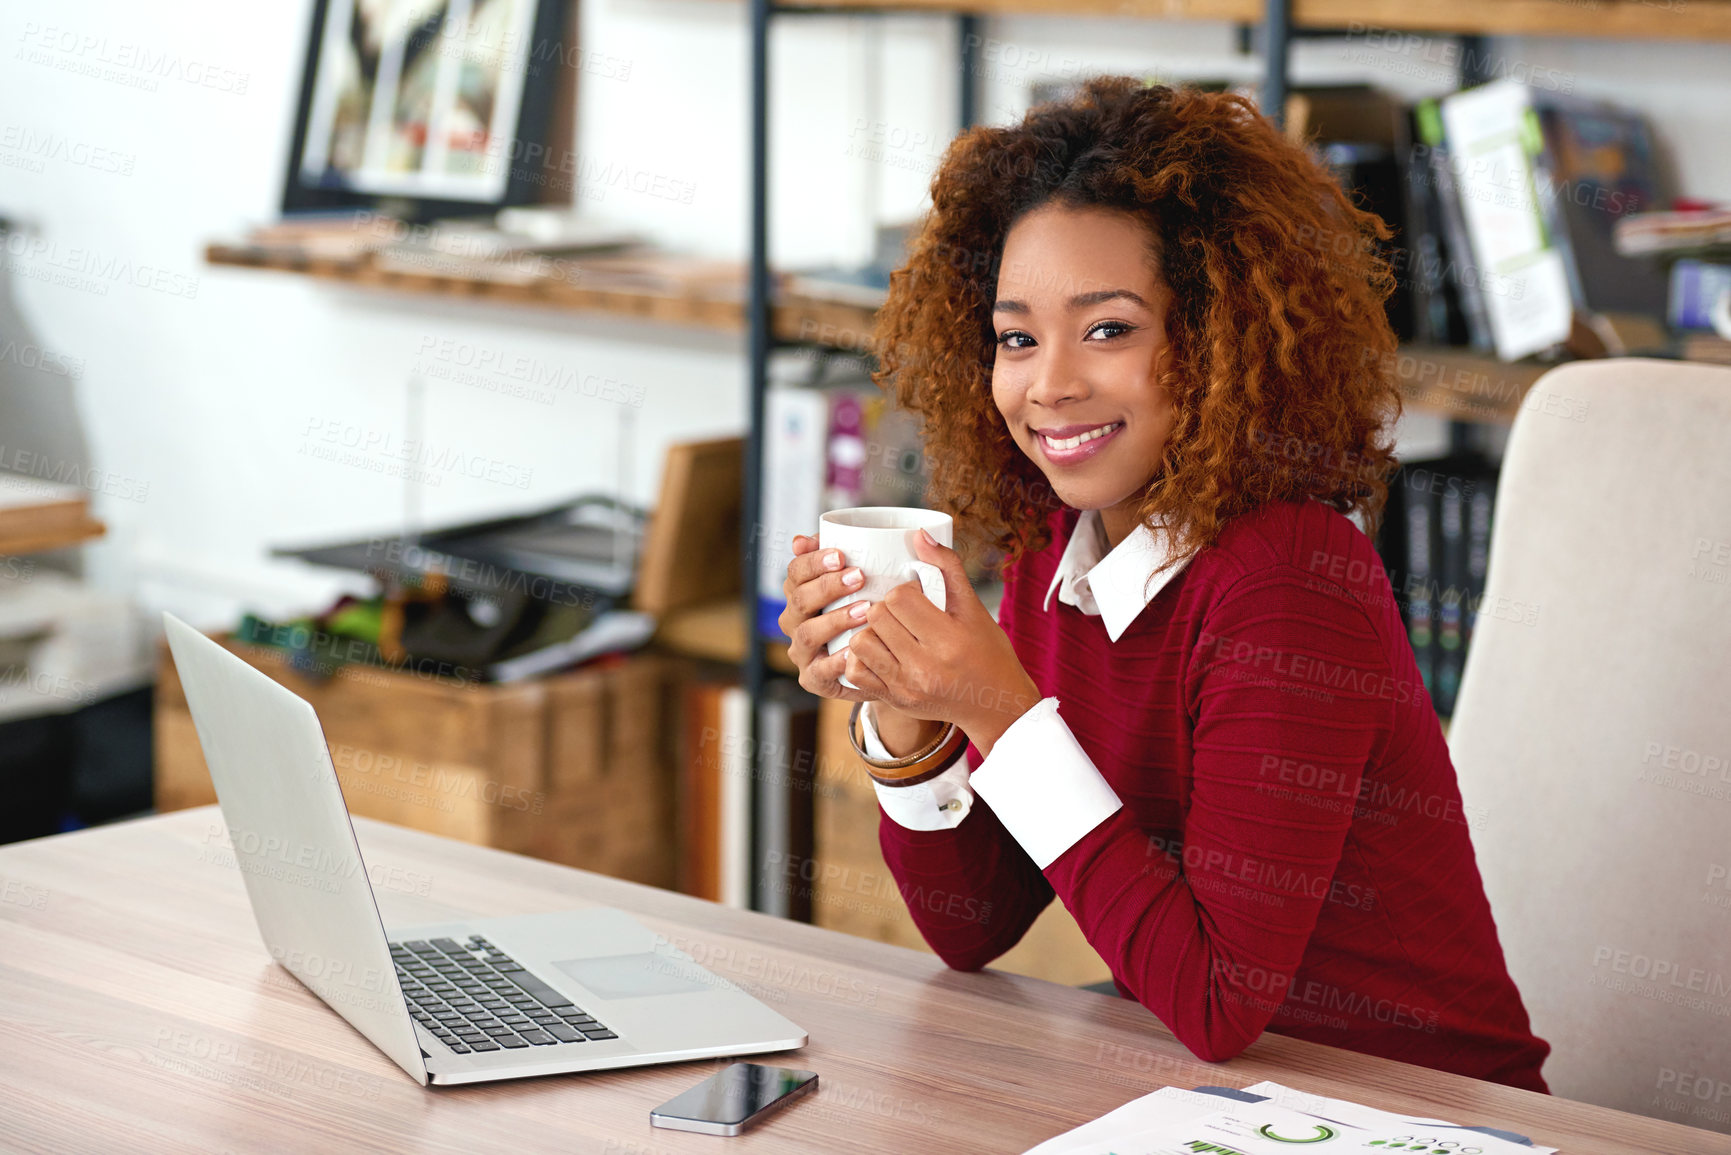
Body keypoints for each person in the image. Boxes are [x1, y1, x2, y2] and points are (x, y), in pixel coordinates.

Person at [779, 76, 1551, 1092]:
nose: (1048, 383)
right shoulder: (1057, 552)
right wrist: (913, 712)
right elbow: (973, 928)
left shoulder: (1292, 583)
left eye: (1107, 330)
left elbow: (1218, 1000)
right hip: (1212, 1097)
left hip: (1415, 1107)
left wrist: (1002, 713)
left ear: (1218, 334)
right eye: (1017, 336)